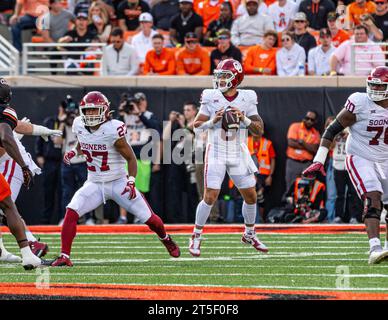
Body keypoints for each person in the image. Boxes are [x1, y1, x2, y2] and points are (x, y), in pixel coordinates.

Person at [50, 91, 180, 267]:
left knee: (150, 219)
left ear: (104, 111)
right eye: (87, 111)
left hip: (119, 182)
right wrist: (74, 151)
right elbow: (84, 141)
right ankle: (65, 255)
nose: (90, 115)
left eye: (94, 111)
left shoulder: (113, 129)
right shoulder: (79, 124)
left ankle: (165, 238)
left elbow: (131, 159)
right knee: (71, 212)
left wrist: (131, 181)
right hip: (95, 183)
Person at [303, 66, 388, 264]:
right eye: (373, 84)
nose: (375, 89)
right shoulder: (360, 102)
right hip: (360, 155)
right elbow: (331, 130)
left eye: (380, 85)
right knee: (372, 196)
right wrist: (318, 160)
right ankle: (374, 247)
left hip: (385, 158)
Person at [189, 58, 268, 257]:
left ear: (236, 78)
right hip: (216, 150)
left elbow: (259, 130)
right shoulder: (210, 96)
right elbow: (196, 126)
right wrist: (212, 121)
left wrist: (244, 118)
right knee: (210, 196)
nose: (220, 80)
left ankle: (249, 233)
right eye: (219, 76)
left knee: (251, 196)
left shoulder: (248, 97)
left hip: (237, 151)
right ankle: (196, 235)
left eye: (225, 76)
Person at [0, 78, 47, 270]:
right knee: (8, 207)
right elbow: (5, 135)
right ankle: (28, 253)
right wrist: (25, 166)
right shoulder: (6, 111)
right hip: (7, 163)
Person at [116, 92, 161, 224]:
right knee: (123, 187)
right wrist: (122, 110)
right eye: (137, 101)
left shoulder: (148, 115)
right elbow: (114, 126)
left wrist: (139, 114)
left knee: (140, 188)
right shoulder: (125, 115)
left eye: (141, 101)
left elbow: (155, 129)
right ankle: (123, 217)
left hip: (143, 154)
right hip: (127, 154)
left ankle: (139, 216)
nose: (139, 103)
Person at [55, 96, 88, 225]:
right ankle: (65, 218)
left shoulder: (81, 122)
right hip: (68, 162)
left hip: (81, 161)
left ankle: (87, 217)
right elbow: (57, 142)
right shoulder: (63, 124)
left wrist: (77, 118)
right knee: (67, 191)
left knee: (86, 190)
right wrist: (62, 122)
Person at [331, 127, 363, 223]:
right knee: (339, 194)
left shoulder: (352, 130)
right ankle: (338, 216)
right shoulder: (335, 131)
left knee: (353, 193)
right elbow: (330, 146)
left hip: (351, 164)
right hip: (338, 164)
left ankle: (353, 216)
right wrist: (336, 136)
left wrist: (349, 135)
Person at [285, 110, 320, 191]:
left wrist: (302, 142)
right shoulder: (295, 126)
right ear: (304, 118)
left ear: (315, 121)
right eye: (307, 118)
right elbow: (291, 143)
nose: (309, 121)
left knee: (305, 190)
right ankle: (290, 204)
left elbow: (315, 150)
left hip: (307, 164)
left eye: (312, 120)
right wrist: (308, 146)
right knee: (290, 188)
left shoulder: (316, 133)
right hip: (293, 163)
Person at [247, 132, 276, 221]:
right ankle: (252, 220)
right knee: (250, 197)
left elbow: (273, 159)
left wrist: (270, 176)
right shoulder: (246, 141)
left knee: (260, 196)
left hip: (263, 175)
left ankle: (260, 220)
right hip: (249, 174)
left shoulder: (267, 143)